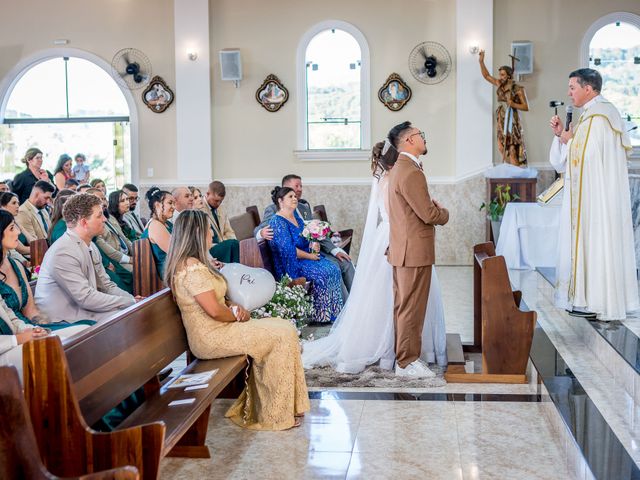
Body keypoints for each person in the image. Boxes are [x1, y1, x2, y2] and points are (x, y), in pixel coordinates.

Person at [302, 140, 447, 373]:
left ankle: (394, 351)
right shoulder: (399, 179)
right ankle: (401, 352)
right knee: (404, 297)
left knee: (386, 297)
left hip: (387, 236)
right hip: (400, 237)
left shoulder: (382, 180)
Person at [165, 210, 309, 430]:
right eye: (207, 230)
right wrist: (238, 315)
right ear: (196, 232)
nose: (211, 233)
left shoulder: (196, 262)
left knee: (285, 327)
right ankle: (273, 414)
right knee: (279, 335)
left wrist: (233, 305)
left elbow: (218, 299)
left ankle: (287, 406)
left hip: (222, 327)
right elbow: (213, 310)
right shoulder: (190, 268)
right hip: (211, 337)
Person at [549, 68, 639, 320]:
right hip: (588, 196)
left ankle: (596, 300)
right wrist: (561, 137)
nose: (569, 93)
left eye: (572, 88)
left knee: (596, 244)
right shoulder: (590, 117)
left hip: (596, 200)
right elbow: (566, 162)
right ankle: (585, 298)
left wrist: (569, 141)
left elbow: (586, 156)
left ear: (588, 89)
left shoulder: (600, 117)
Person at [386, 121, 449, 377]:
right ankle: (406, 362)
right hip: (413, 251)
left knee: (405, 306)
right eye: (420, 135)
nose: (424, 138)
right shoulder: (410, 171)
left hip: (404, 249)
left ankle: (404, 358)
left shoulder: (401, 168)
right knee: (411, 307)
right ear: (409, 140)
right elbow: (428, 213)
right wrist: (443, 213)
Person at [34, 194, 137, 323]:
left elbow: (106, 285)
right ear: (84, 222)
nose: (105, 219)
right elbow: (85, 298)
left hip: (81, 310)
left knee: (132, 314)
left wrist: (132, 301)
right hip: (61, 320)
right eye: (99, 215)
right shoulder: (63, 252)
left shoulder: (91, 246)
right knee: (126, 320)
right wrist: (128, 302)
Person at [255, 174, 355, 300]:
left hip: (314, 250)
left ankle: (356, 303)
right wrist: (261, 233)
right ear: (285, 188)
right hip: (296, 258)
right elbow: (260, 229)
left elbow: (315, 229)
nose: (300, 189)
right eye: (296, 186)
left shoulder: (303, 207)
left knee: (345, 261)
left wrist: (335, 250)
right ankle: (345, 307)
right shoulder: (273, 209)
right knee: (333, 266)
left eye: (301, 186)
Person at [268, 186, 343, 323]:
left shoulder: (296, 217)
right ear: (280, 201)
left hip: (305, 257)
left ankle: (334, 313)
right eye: (290, 197)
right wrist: (310, 256)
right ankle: (321, 317)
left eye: (295, 196)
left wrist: (313, 244)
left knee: (334, 268)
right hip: (291, 264)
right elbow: (288, 250)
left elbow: (305, 238)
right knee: (323, 273)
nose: (294, 198)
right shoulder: (277, 221)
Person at [478, 50, 529, 166]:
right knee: (501, 147)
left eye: (502, 75)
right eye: (499, 74)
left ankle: (514, 175)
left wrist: (513, 104)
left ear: (509, 76)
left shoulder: (518, 88)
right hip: (501, 117)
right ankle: (510, 169)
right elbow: (486, 76)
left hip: (512, 119)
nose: (500, 77)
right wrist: (481, 61)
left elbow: (526, 107)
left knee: (511, 149)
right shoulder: (499, 84)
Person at [141, 187, 175, 277]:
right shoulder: (155, 225)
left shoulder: (167, 223)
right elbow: (175, 251)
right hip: (168, 271)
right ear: (157, 205)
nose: (174, 207)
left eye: (174, 203)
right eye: (170, 203)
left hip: (173, 265)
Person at [96, 191, 133, 271]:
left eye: (104, 199)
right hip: (117, 261)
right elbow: (107, 250)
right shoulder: (95, 225)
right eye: (99, 200)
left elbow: (124, 238)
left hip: (126, 254)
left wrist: (138, 253)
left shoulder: (110, 218)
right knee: (142, 270)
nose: (103, 203)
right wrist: (129, 259)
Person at [204, 181, 240, 263]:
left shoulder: (221, 209)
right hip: (209, 249)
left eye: (221, 201)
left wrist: (233, 243)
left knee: (235, 244)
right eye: (216, 200)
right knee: (232, 245)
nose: (218, 204)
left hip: (223, 245)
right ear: (208, 193)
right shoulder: (200, 209)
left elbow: (229, 231)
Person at [0, 192, 31, 258]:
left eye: (18, 203)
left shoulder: (15, 220)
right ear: (3, 206)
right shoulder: (4, 223)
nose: (17, 206)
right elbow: (22, 249)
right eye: (14, 203)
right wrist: (41, 249)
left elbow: (31, 241)